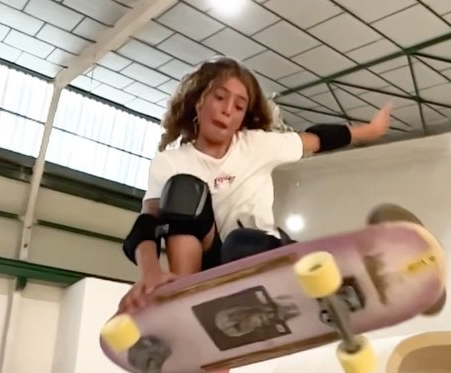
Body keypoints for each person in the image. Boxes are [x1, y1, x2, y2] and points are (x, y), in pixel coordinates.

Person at [120, 58, 392, 312]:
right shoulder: (170, 162)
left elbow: (317, 139)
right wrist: (151, 275)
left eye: (239, 106)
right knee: (183, 191)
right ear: (198, 100)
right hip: (208, 265)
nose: (227, 110)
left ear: (243, 117)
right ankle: (186, 294)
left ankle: (333, 276)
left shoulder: (257, 145)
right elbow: (148, 223)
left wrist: (370, 130)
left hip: (257, 252)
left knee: (239, 243)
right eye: (219, 98)